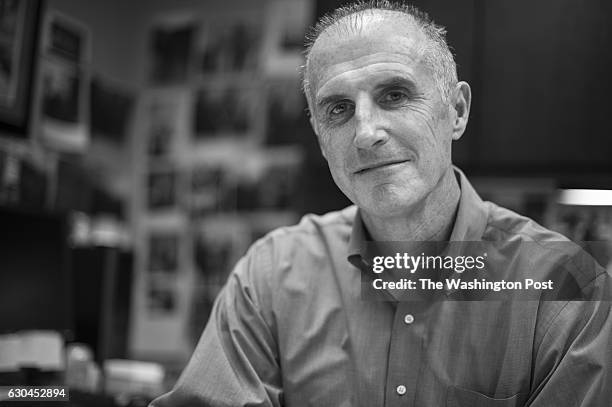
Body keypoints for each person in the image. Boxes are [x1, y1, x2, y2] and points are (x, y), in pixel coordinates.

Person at [151, 1, 612, 406]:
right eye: (338, 109)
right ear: (319, 135)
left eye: (395, 95)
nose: (367, 133)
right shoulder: (270, 278)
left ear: (457, 111)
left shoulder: (567, 290)